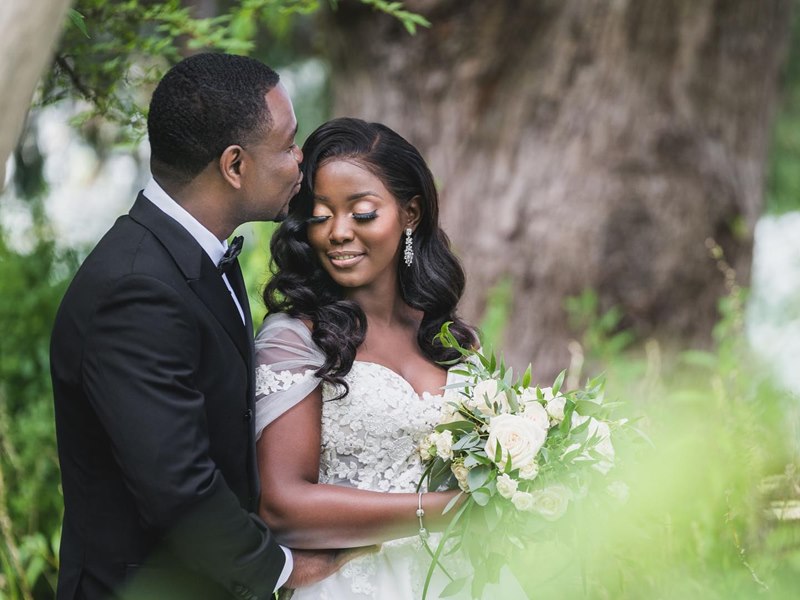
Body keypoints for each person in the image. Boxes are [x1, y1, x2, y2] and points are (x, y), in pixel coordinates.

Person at [50, 53, 358, 600]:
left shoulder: (191, 257)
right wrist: (281, 570)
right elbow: (177, 486)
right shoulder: (135, 289)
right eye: (288, 145)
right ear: (234, 165)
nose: (301, 160)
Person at [254, 117, 513, 598]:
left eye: (362, 212)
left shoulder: (452, 341)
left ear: (410, 213)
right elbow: (280, 504)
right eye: (320, 214)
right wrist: (447, 510)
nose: (337, 232)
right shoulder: (294, 340)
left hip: (463, 583)